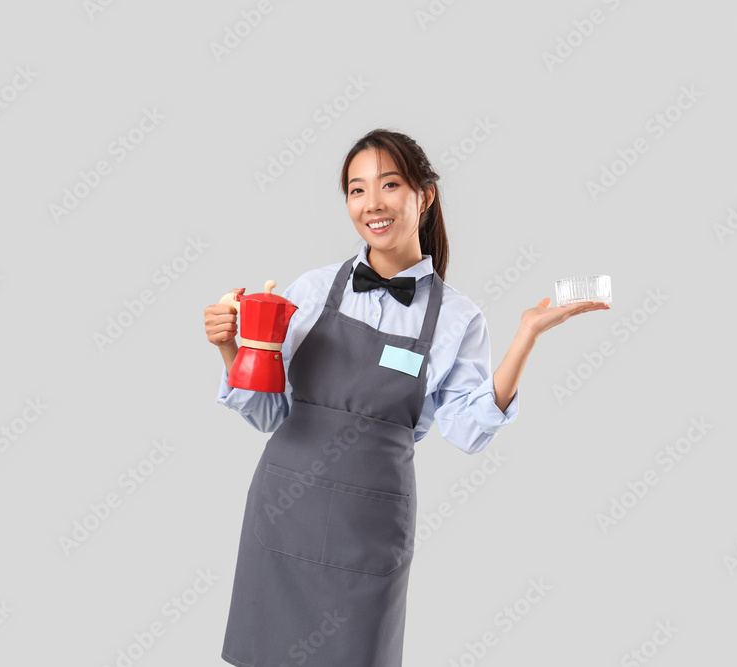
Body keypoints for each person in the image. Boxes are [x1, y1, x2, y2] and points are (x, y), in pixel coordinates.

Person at [205, 128, 609, 667]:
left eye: (389, 184)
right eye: (356, 189)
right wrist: (232, 344)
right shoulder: (308, 291)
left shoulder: (458, 318)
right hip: (283, 514)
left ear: (425, 195)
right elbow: (266, 409)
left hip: (367, 533)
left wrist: (527, 335)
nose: (372, 204)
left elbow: (467, 432)